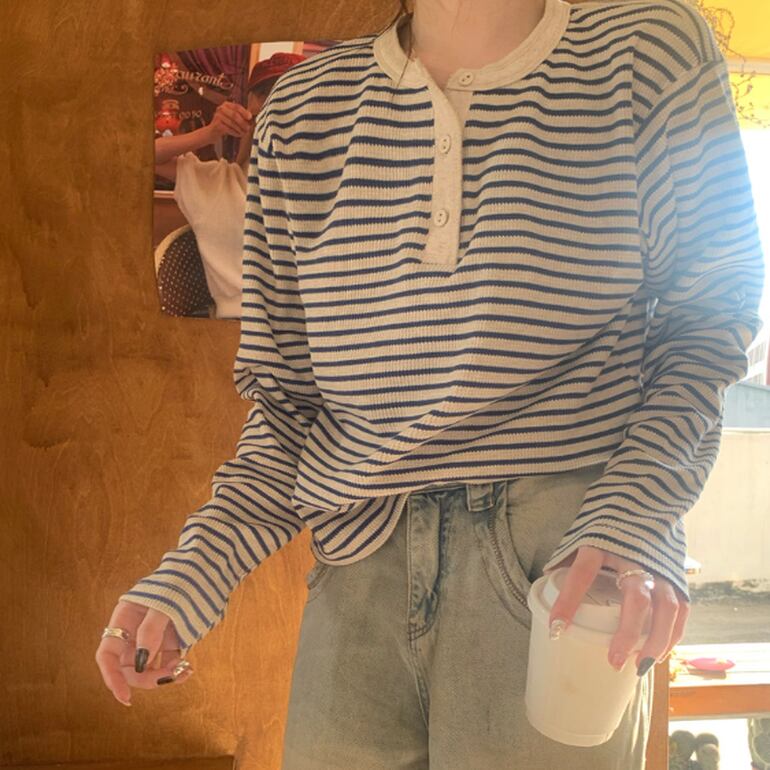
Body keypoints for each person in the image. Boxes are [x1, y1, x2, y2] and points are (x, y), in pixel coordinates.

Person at [96, 0, 765, 767]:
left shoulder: (648, 51)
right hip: (358, 568)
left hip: (563, 562)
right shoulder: (301, 113)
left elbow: (707, 325)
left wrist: (636, 516)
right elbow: (288, 407)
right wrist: (193, 572)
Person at [153, 53, 306, 319]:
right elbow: (139, 157)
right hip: (236, 328)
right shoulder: (217, 181)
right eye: (268, 94)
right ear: (251, 110)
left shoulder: (334, 187)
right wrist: (209, 133)